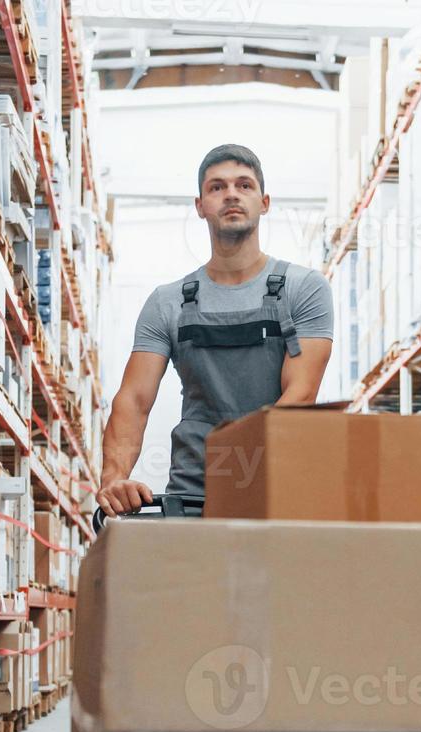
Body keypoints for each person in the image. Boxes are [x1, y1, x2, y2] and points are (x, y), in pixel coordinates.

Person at [96, 144, 334, 515]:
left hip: (278, 490)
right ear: (200, 205)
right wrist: (113, 479)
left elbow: (300, 394)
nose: (232, 194)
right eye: (217, 187)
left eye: (244, 185)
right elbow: (134, 401)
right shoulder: (168, 302)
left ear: (264, 202)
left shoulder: (303, 289)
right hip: (192, 495)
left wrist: (241, 477)